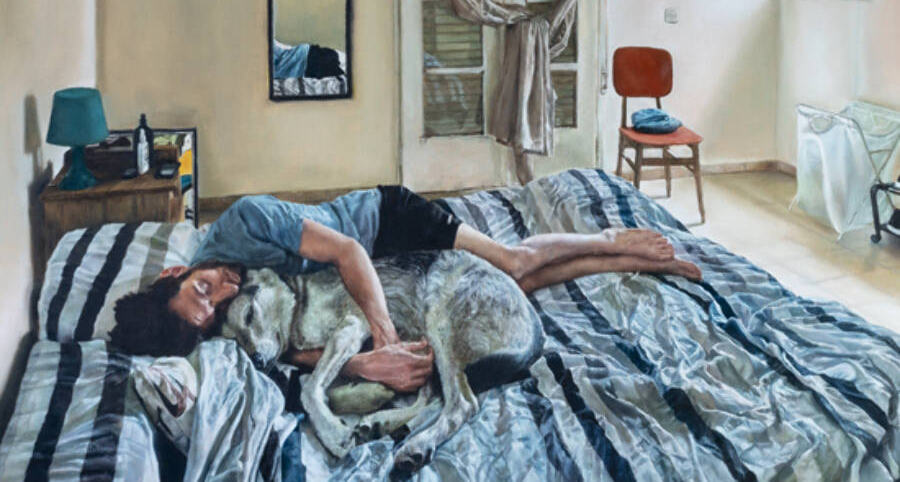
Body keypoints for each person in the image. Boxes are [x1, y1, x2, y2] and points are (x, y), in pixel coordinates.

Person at [110, 185, 700, 392]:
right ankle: (618, 262)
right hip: (379, 268)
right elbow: (285, 353)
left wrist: (384, 334)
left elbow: (348, 251)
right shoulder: (217, 316)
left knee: (512, 263)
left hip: (383, 223)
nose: (223, 291)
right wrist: (360, 365)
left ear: (172, 274)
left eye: (203, 288)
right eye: (211, 309)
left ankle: (606, 237)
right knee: (514, 285)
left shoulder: (245, 220)